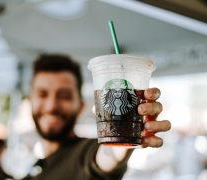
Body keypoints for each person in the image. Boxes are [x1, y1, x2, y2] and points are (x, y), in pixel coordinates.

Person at [25, 54, 171, 180]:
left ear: (81, 106)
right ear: (30, 101)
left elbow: (100, 161)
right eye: (42, 94)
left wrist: (120, 139)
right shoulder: (35, 167)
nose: (51, 106)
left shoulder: (83, 155)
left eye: (64, 96)